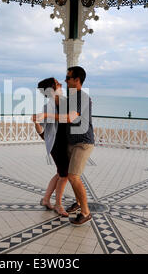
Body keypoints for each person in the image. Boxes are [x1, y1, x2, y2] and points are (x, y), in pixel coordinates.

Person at [32, 78, 70, 217]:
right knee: (64, 175)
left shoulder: (66, 102)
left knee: (61, 173)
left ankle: (46, 199)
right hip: (56, 144)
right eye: (57, 83)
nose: (61, 84)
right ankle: (58, 205)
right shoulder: (47, 108)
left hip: (66, 144)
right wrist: (36, 122)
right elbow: (42, 131)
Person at [63, 66, 95, 226]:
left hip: (83, 143)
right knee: (72, 175)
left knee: (73, 176)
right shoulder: (72, 97)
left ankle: (86, 212)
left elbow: (70, 118)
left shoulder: (82, 97)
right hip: (73, 142)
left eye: (68, 77)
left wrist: (47, 115)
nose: (65, 80)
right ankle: (78, 202)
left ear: (77, 80)